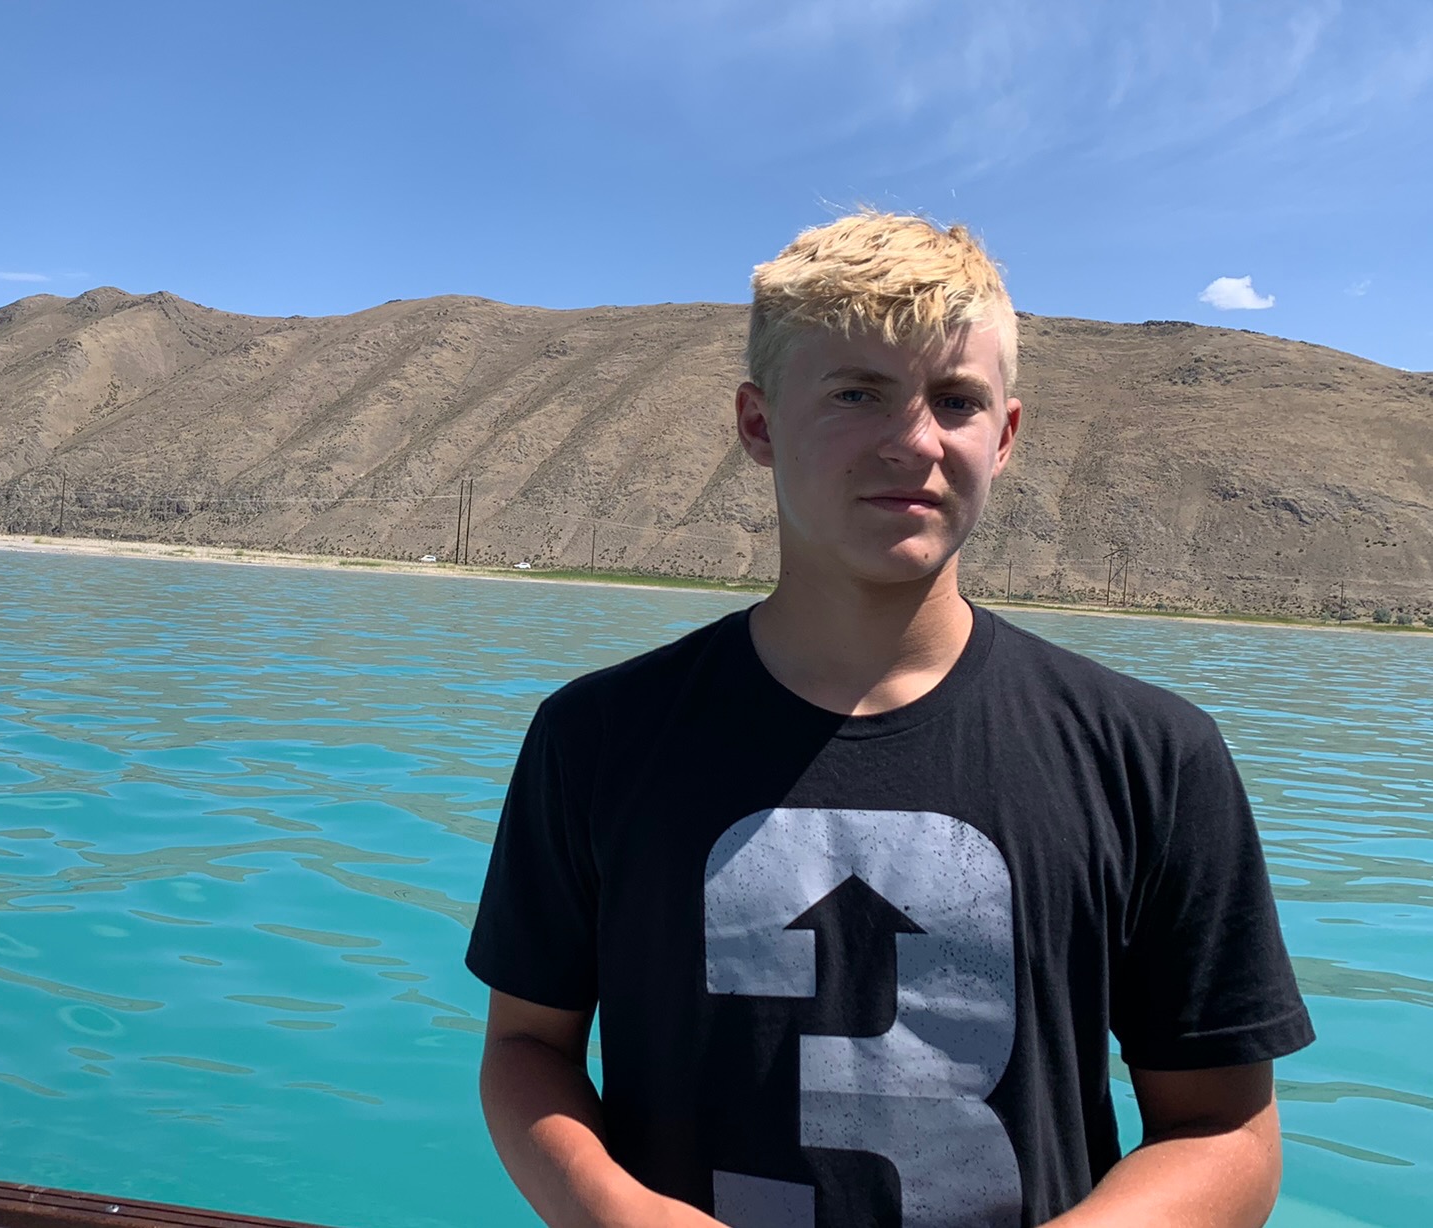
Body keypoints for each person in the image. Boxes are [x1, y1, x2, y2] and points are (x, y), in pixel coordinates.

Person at [465, 212, 1314, 1228]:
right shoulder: (595, 738)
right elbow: (527, 1047)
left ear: (1004, 436)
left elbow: (1224, 1127)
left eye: (956, 400)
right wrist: (615, 1211)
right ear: (757, 424)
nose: (913, 441)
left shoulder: (1152, 757)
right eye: (856, 393)